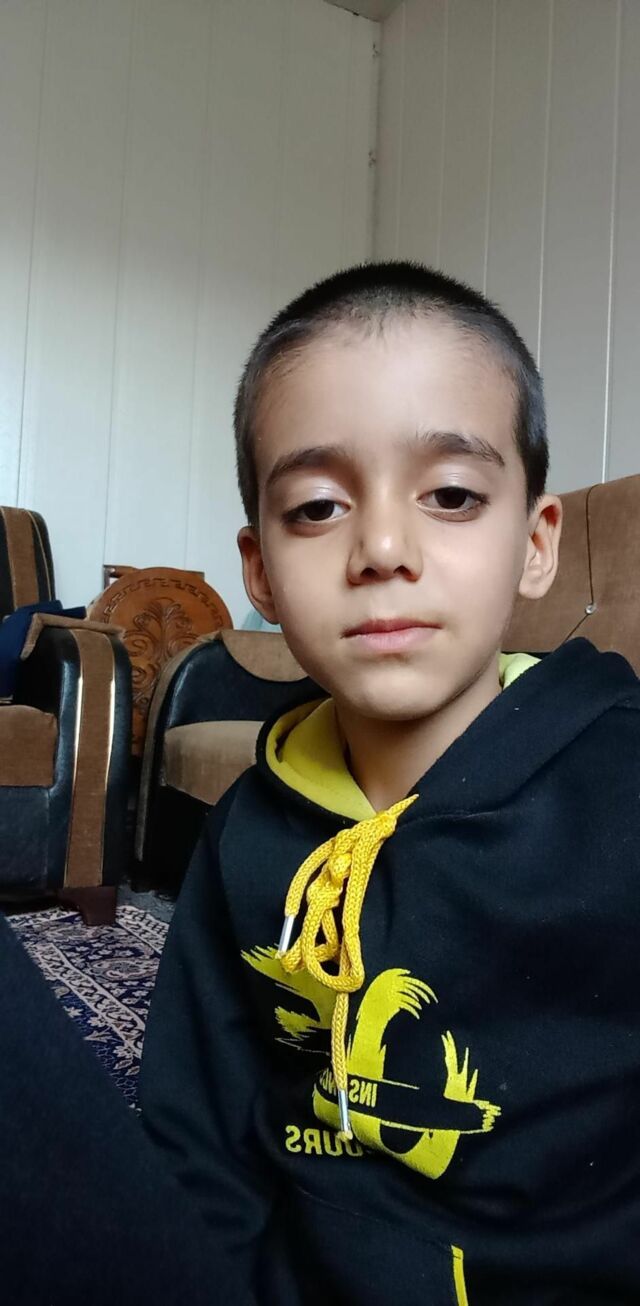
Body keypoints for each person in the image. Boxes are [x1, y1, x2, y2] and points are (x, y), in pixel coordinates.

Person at [139, 262, 640, 1305]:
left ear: (534, 544)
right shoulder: (247, 830)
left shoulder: (619, 785)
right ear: (261, 570)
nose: (379, 547)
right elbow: (199, 1130)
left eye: (450, 496)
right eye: (318, 507)